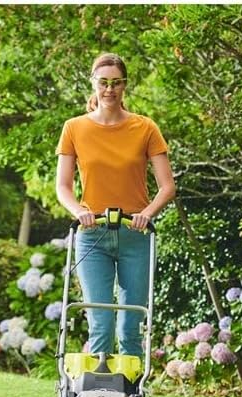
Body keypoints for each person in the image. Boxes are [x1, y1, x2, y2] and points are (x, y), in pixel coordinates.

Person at [55, 53, 176, 358]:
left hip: (134, 235)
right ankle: (97, 386)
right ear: (93, 83)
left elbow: (167, 187)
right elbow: (63, 186)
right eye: (103, 82)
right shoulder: (74, 128)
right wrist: (79, 211)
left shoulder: (145, 128)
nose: (109, 89)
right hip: (92, 234)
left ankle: (130, 387)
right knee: (101, 322)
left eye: (116, 83)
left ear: (124, 85)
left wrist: (146, 214)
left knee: (130, 326)